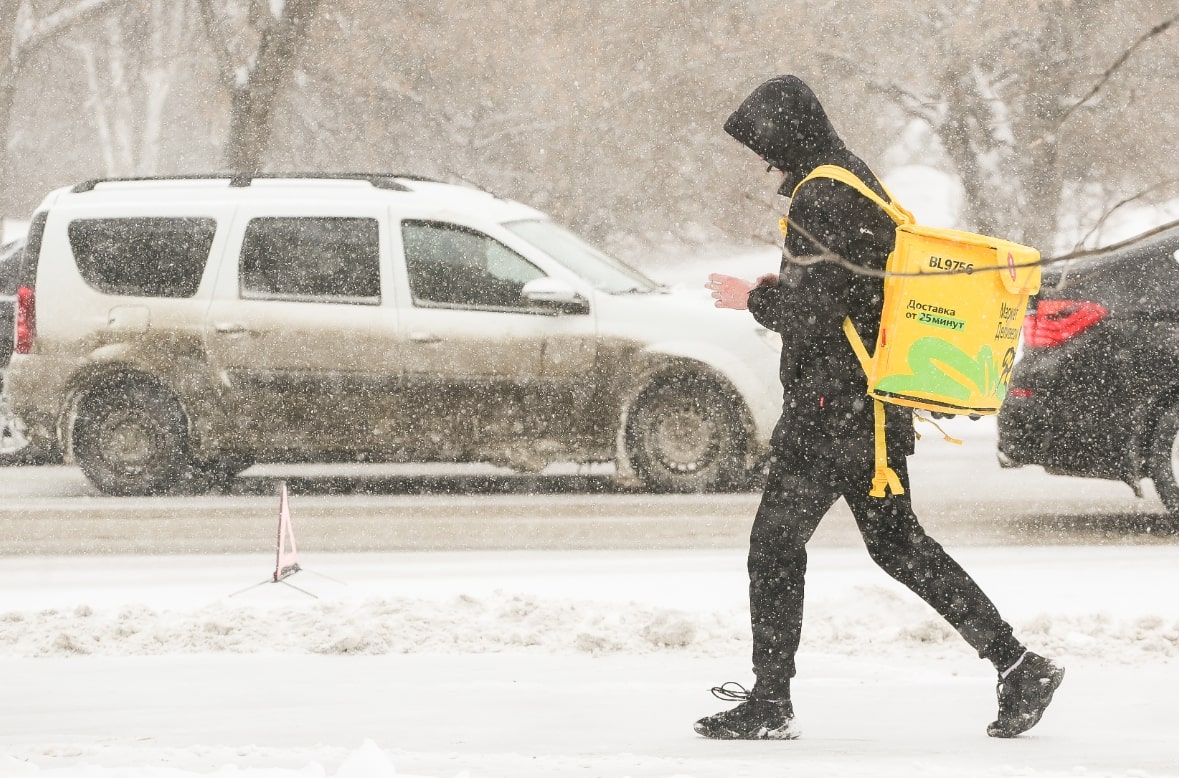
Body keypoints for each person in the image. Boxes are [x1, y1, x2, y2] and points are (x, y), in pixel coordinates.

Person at [694, 75, 1064, 741]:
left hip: (834, 408)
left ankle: (772, 704)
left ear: (786, 132)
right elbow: (848, 289)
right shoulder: (849, 179)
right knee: (895, 546)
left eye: (762, 143)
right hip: (861, 402)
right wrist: (792, 287)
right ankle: (1017, 664)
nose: (761, 158)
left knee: (778, 547)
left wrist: (748, 297)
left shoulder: (821, 193)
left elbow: (814, 312)